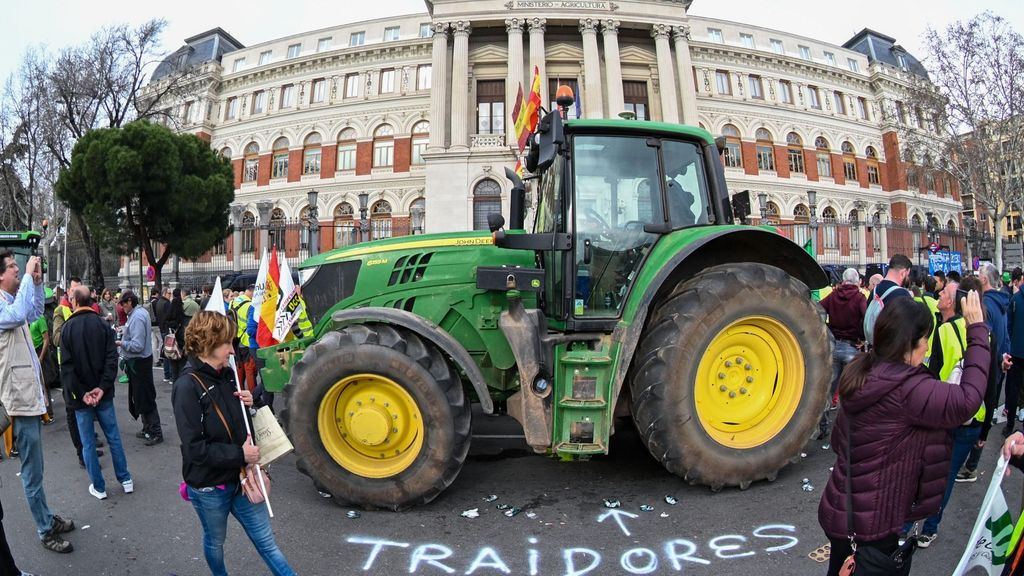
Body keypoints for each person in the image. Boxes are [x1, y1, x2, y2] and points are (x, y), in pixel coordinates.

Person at [818, 294, 989, 576]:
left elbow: (839, 441)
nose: (926, 348)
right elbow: (967, 400)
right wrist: (978, 334)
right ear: (910, 344)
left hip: (842, 510)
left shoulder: (862, 370)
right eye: (925, 341)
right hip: (872, 522)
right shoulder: (906, 389)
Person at [172, 311, 296, 576]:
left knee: (267, 543)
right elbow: (195, 449)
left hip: (243, 478)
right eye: (227, 342)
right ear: (208, 342)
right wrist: (240, 454)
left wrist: (252, 405)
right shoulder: (186, 386)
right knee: (215, 542)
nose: (232, 349)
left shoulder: (228, 374)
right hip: (210, 486)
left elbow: (240, 427)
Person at [0, 252, 76, 553]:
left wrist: (35, 280)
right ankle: (45, 530)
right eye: (13, 267)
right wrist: (29, 279)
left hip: (28, 396)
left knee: (37, 466)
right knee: (32, 469)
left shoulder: (10, 301)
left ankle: (47, 518)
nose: (18, 268)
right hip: (17, 400)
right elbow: (20, 315)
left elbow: (31, 314)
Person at [59, 287, 133, 501]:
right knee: (113, 437)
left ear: (74, 301)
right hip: (103, 394)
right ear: (91, 300)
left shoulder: (67, 329)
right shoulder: (103, 325)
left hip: (82, 399)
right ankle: (125, 478)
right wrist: (102, 387)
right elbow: (112, 360)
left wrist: (82, 393)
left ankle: (99, 486)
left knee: (88, 442)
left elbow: (67, 368)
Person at [959, 263, 1012, 483]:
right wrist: (1004, 358)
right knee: (987, 408)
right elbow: (1003, 334)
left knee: (981, 410)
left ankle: (970, 465)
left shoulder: (986, 305)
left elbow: (983, 338)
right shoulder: (1001, 302)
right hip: (998, 364)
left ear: (984, 280)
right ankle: (972, 462)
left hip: (987, 366)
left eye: (979, 276)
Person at [817, 267, 867, 438]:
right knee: (853, 391)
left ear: (844, 280)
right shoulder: (860, 297)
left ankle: (821, 427)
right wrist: (862, 337)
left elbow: (817, 309)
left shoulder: (833, 295)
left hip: (834, 346)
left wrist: (827, 330)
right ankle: (851, 429)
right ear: (857, 281)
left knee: (828, 391)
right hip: (852, 347)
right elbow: (866, 319)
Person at [118, 291, 163, 446]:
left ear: (130, 301)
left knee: (145, 397)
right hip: (141, 362)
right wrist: (124, 331)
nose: (122, 307)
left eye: (123, 303)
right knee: (140, 396)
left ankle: (155, 431)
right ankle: (147, 428)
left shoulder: (136, 316)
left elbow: (137, 345)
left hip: (139, 362)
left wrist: (121, 343)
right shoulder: (139, 312)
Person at [231, 286, 257, 393]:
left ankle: (240, 393)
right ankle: (253, 396)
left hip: (235, 339)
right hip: (246, 341)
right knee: (249, 370)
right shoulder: (250, 305)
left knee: (239, 368)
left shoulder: (234, 301)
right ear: (252, 293)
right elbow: (251, 326)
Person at [167, 289, 186, 382]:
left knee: (174, 368)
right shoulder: (181, 319)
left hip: (172, 344)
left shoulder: (170, 317)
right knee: (182, 368)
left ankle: (175, 385)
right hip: (181, 344)